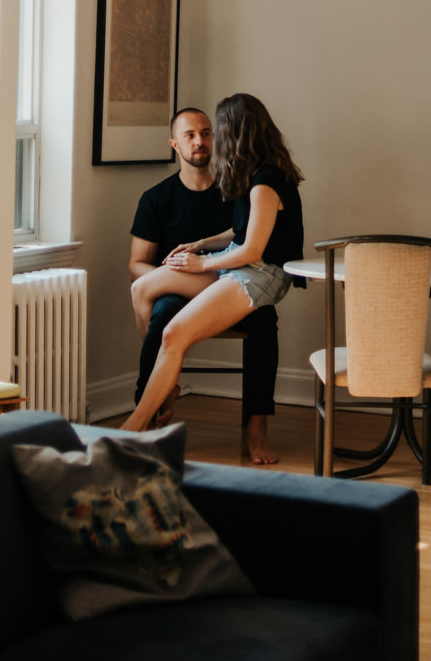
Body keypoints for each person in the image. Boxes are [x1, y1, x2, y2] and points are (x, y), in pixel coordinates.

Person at [122, 93, 305, 447]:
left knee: (175, 333)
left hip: (258, 273)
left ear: (235, 131)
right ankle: (158, 391)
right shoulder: (250, 173)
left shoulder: (266, 180)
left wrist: (202, 263)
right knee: (141, 289)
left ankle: (135, 427)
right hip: (237, 263)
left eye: (213, 131)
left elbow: (253, 249)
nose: (209, 140)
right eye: (195, 134)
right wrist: (201, 245)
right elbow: (240, 233)